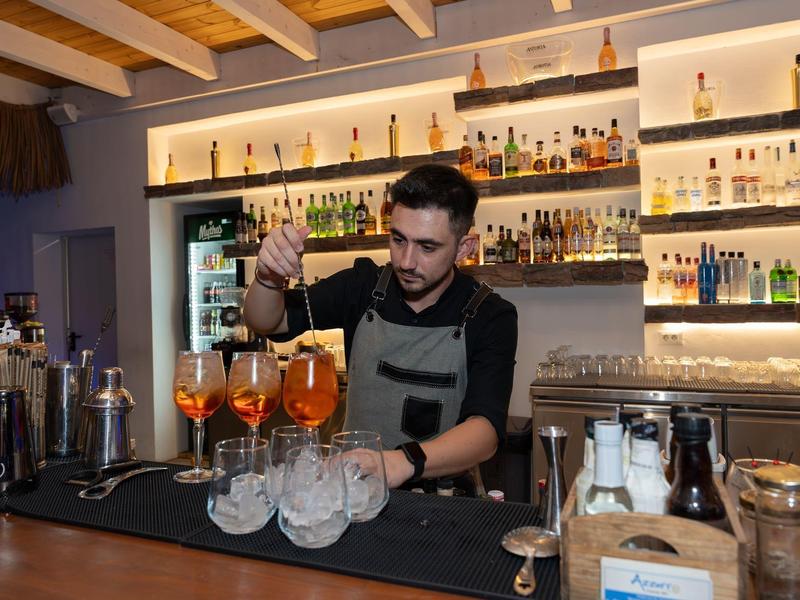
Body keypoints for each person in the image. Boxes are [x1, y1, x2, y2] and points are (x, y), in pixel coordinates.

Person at [244, 164, 518, 491]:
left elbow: (484, 431)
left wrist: (397, 462)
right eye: (398, 240)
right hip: (351, 490)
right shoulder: (361, 287)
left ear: (464, 247)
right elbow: (268, 321)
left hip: (445, 501)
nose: (406, 261)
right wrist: (267, 275)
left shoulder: (490, 314)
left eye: (427, 247)